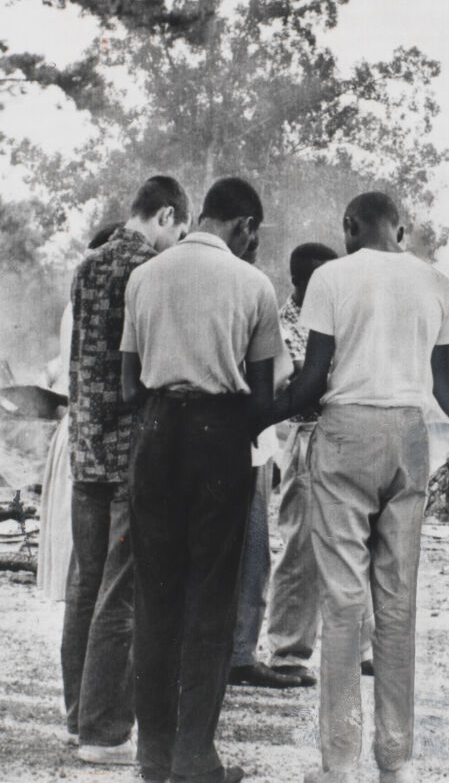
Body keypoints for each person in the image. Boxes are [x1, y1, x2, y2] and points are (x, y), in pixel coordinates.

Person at [268, 191, 449, 783]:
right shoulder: (438, 283)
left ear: (349, 226)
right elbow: (446, 384)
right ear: (402, 228)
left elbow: (312, 380)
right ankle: (398, 762)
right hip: (410, 436)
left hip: (346, 435)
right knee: (397, 602)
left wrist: (264, 412)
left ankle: (339, 764)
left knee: (342, 602)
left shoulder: (331, 278)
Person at [121, 176, 285, 783]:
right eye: (253, 236)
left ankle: (153, 754)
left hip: (157, 433)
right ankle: (196, 756)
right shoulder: (254, 285)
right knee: (211, 597)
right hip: (221, 437)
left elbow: (127, 385)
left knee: (155, 595)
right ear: (244, 226)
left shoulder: (146, 275)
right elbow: (263, 400)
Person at [62, 180, 190, 765]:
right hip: (126, 451)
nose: (177, 243)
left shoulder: (86, 267)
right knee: (121, 594)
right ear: (167, 214)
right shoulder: (153, 272)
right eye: (179, 231)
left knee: (85, 586)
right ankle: (106, 730)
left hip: (83, 449)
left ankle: (77, 715)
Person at [264, 243, 374, 686]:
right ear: (300, 281)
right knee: (301, 545)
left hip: (347, 433)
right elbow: (300, 382)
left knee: (356, 541)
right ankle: (289, 650)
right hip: (307, 436)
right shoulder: (282, 322)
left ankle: (363, 647)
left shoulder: (338, 312)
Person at [227, 235, 301, 690]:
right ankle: (237, 653)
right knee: (252, 554)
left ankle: (218, 652)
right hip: (249, 442)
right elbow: (281, 372)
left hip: (193, 437)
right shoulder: (254, 290)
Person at [39, 223, 122, 604]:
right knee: (88, 561)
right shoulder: (87, 308)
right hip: (88, 431)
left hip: (78, 427)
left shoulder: (80, 305)